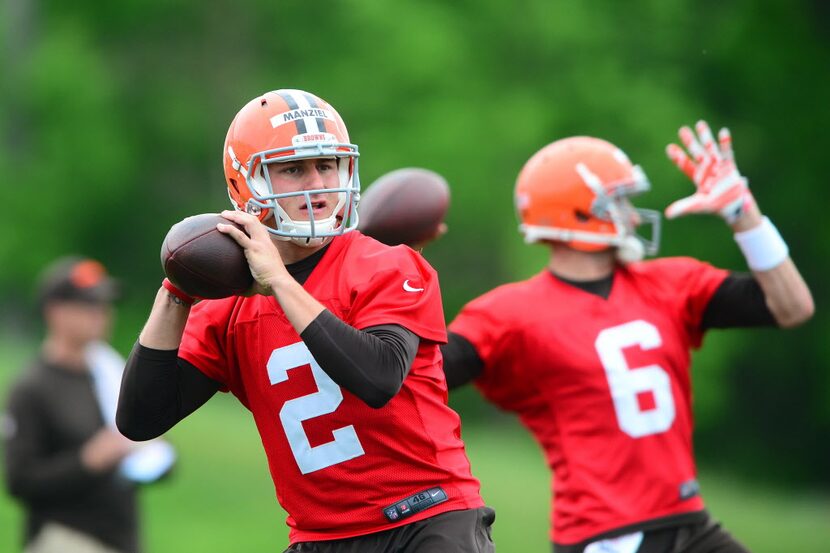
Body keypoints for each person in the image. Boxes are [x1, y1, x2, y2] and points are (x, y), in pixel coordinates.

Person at [115, 89, 494, 552]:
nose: (316, 182)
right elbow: (140, 418)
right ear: (246, 184)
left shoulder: (388, 265)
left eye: (327, 165)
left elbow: (377, 378)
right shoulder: (229, 306)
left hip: (425, 519)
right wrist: (176, 292)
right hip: (320, 537)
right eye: (293, 169)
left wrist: (279, 283)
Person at [441, 122, 814, 553]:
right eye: (618, 203)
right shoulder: (508, 315)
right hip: (606, 536)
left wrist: (744, 215)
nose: (634, 216)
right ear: (577, 212)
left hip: (690, 523)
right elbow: (416, 379)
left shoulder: (672, 284)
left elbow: (793, 307)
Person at [2, 256, 173, 553]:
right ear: (55, 311)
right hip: (64, 539)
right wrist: (89, 460)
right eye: (89, 304)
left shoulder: (109, 372)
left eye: (105, 305)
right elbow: (20, 481)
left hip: (121, 538)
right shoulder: (32, 388)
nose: (102, 313)